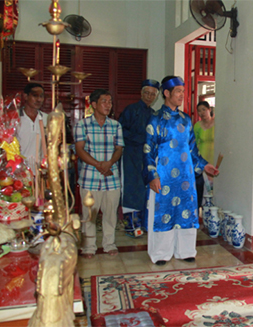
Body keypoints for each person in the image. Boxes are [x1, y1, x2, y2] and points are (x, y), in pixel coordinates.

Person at [144, 76, 219, 266]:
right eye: (178, 91)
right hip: (164, 176)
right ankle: (160, 253)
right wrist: (152, 175)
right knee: (163, 212)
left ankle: (185, 250)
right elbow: (147, 150)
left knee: (186, 210)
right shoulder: (155, 119)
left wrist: (204, 165)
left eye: (183, 92)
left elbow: (192, 150)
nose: (181, 95)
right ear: (167, 93)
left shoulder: (186, 120)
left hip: (186, 176)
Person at [74, 89, 124, 259]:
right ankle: (89, 246)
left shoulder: (116, 125)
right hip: (90, 177)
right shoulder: (82, 125)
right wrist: (98, 165)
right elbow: (79, 150)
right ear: (94, 105)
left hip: (112, 178)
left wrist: (109, 163)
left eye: (110, 102)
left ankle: (109, 244)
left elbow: (119, 149)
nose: (108, 105)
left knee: (110, 214)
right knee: (89, 215)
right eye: (104, 101)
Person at [118, 79, 160, 236]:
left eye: (152, 94)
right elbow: (121, 131)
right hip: (131, 156)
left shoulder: (154, 114)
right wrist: (141, 139)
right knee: (131, 188)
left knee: (145, 190)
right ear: (141, 93)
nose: (149, 97)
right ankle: (130, 226)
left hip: (147, 158)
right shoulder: (131, 110)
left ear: (156, 96)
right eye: (147, 93)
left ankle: (143, 224)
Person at [16, 83, 48, 175]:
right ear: (25, 96)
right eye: (35, 96)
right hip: (19, 171)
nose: (39, 100)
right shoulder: (15, 118)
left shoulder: (46, 119)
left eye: (41, 96)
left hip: (39, 171)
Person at [193, 101, 215, 209]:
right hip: (202, 159)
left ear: (209, 110)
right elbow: (194, 144)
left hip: (214, 159)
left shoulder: (217, 122)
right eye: (199, 111)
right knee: (202, 190)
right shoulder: (197, 125)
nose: (202, 113)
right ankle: (202, 218)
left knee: (214, 191)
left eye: (204, 110)